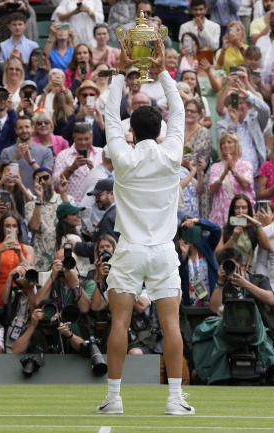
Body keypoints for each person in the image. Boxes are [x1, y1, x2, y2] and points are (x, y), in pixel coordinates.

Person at [97, 36, 193, 415]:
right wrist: (163, 73)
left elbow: (108, 113)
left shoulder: (122, 155)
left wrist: (124, 73)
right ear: (160, 131)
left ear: (131, 131)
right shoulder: (172, 154)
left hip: (130, 251)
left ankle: (115, 398)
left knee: (119, 322)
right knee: (171, 324)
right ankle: (174, 399)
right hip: (162, 252)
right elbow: (180, 111)